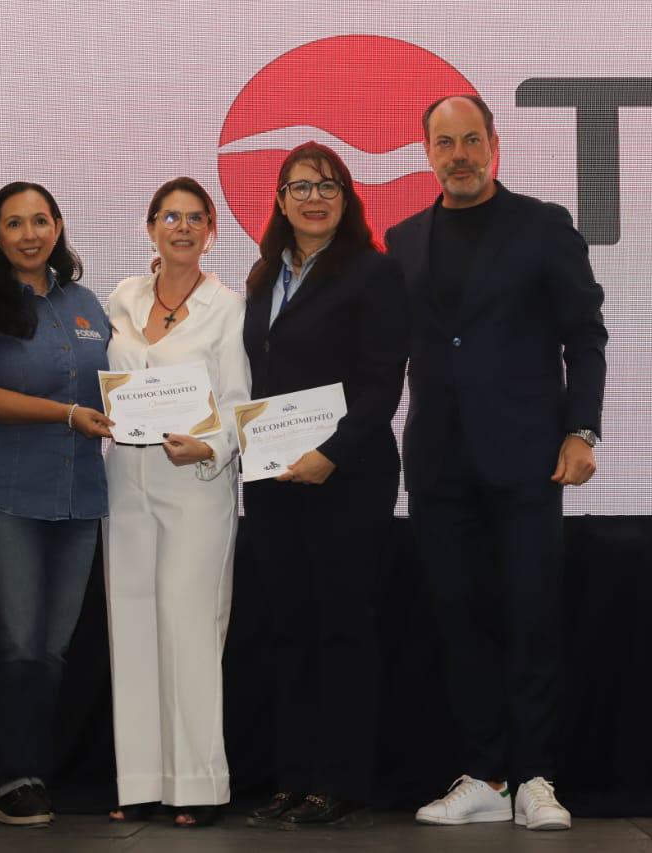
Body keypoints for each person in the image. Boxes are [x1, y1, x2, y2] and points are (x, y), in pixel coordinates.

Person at [385, 94, 608, 832]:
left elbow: (586, 334)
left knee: (532, 616)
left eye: (471, 140)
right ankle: (484, 773)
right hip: (439, 463)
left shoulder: (543, 225)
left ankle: (537, 776)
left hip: (527, 460)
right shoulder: (403, 238)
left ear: (494, 144)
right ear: (427, 152)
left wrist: (582, 429)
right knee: (459, 617)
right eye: (445, 143)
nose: (460, 155)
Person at [241, 142, 409, 830]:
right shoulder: (259, 278)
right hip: (275, 479)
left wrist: (330, 453)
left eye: (329, 186)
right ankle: (292, 776)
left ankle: (340, 780)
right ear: (280, 198)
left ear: (347, 199)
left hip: (348, 478)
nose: (314, 198)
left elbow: (381, 383)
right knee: (288, 630)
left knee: (342, 629)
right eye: (301, 186)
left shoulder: (374, 272)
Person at [0, 181, 112, 827]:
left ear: (59, 226)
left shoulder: (86, 301)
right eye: (15, 223)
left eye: (41, 220)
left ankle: (33, 770)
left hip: (80, 499)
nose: (30, 233)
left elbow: (119, 384)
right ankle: (5, 777)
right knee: (16, 642)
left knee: (52, 648)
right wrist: (68, 413)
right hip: (1, 494)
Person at [103, 178, 250, 828]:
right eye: (170, 215)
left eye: (195, 217)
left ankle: (197, 785)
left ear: (211, 230)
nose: (182, 227)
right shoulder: (122, 297)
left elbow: (239, 399)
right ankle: (139, 779)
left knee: (189, 628)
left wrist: (210, 445)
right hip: (124, 481)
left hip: (194, 484)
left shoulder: (228, 306)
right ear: (150, 226)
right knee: (130, 623)